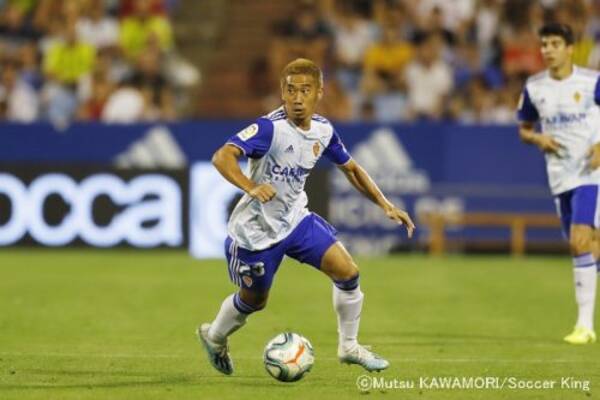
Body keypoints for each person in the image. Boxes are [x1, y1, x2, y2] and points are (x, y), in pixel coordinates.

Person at [198, 58, 415, 375]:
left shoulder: (323, 131)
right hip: (255, 232)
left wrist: (385, 204)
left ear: (319, 93)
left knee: (348, 272)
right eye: (291, 91)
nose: (297, 98)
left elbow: (351, 168)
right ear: (282, 93)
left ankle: (349, 347)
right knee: (255, 301)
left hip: (296, 220)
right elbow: (222, 156)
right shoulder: (269, 129)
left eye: (305, 90)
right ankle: (215, 337)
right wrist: (251, 186)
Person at [517, 23, 600, 344]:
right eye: (544, 44)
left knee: (580, 241)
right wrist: (538, 138)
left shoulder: (591, 82)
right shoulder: (535, 87)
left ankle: (584, 326)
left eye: (554, 43)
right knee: (588, 247)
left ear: (570, 48)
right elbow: (524, 128)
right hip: (559, 176)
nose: (548, 50)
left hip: (590, 173)